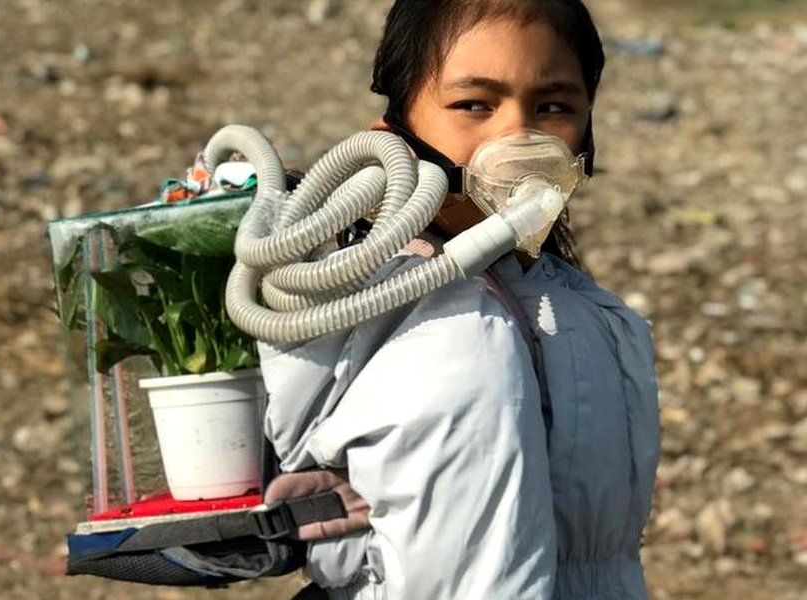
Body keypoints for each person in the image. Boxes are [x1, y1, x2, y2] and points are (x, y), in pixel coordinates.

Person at [261, 1, 661, 598]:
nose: (517, 137)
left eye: (553, 107)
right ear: (390, 140)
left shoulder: (589, 312)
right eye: (474, 105)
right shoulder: (427, 326)